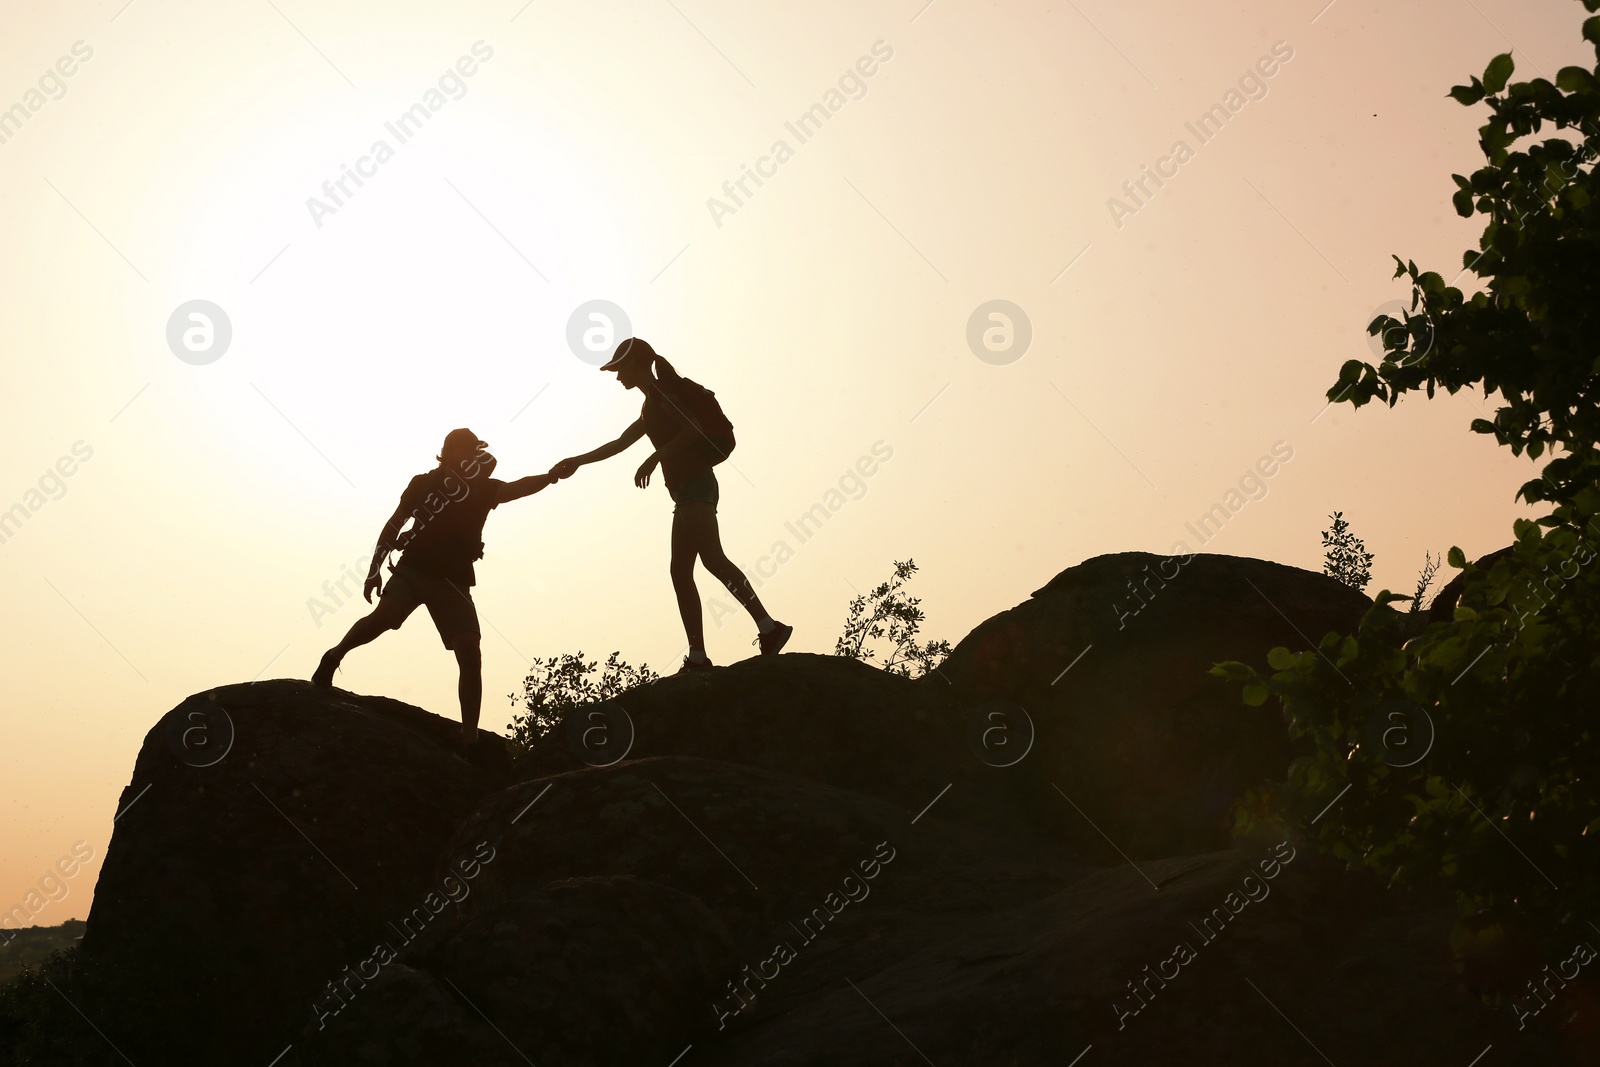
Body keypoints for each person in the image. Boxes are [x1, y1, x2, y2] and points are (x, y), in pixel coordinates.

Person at [550, 338, 791, 672]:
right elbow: (621, 443)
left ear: (637, 365)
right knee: (684, 570)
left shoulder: (665, 396)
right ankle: (704, 653)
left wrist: (655, 457)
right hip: (688, 491)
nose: (618, 377)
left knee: (712, 561)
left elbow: (693, 429)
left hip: (696, 486)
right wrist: (576, 461)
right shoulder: (652, 403)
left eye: (621, 369)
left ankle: (765, 629)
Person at [312, 429, 555, 751]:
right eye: (461, 451)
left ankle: (470, 739)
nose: (467, 457)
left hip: (453, 581)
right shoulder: (424, 484)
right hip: (413, 570)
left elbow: (515, 488)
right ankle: (334, 656)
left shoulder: (482, 488)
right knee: (384, 617)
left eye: (472, 451)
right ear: (448, 452)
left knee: (470, 650)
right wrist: (373, 569)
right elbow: (394, 524)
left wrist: (551, 476)